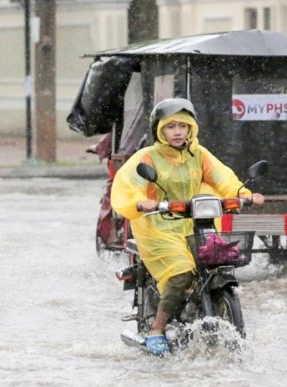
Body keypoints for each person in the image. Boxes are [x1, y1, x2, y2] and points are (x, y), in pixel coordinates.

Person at [111, 97, 265, 356]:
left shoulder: (199, 154)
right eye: (171, 127)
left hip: (194, 222)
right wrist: (141, 203)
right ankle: (157, 329)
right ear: (159, 129)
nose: (178, 132)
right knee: (181, 272)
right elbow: (130, 185)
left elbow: (222, 177)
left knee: (215, 262)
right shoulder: (147, 157)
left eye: (183, 126)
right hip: (157, 225)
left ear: (191, 128)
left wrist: (244, 194)